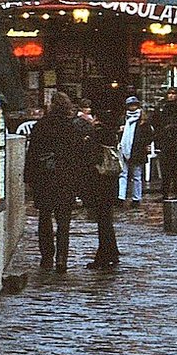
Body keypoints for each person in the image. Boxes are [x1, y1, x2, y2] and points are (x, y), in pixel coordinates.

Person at [24, 93, 74, 272]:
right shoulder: (71, 127)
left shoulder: (41, 125)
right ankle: (61, 259)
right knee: (63, 220)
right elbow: (77, 156)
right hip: (65, 178)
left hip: (44, 177)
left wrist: (28, 177)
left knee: (45, 217)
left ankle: (47, 257)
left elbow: (32, 153)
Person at [75, 102, 121, 268]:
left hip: (99, 181)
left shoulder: (97, 134)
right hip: (110, 181)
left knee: (103, 220)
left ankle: (103, 256)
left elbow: (91, 157)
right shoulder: (111, 133)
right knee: (106, 218)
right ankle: (111, 252)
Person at [117, 96, 150, 206]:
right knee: (123, 174)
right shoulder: (123, 118)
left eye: (134, 105)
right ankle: (121, 197)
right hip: (124, 148)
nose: (132, 107)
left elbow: (149, 135)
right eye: (130, 105)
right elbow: (117, 133)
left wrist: (143, 144)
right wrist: (119, 131)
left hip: (137, 150)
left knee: (136, 175)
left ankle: (136, 198)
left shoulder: (143, 120)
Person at [156, 88, 177, 200]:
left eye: (173, 94)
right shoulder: (163, 108)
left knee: (174, 169)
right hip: (164, 141)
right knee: (165, 169)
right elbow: (156, 122)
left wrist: (173, 128)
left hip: (174, 142)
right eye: (169, 93)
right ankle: (165, 193)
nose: (171, 96)